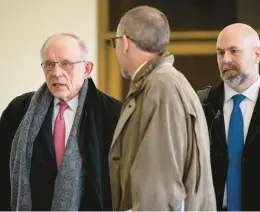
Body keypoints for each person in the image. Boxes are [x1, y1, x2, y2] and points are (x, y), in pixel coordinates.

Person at [108, 5, 216, 211]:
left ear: (126, 43)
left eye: (115, 42)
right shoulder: (163, 82)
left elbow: (158, 187)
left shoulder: (161, 87)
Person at [0, 33, 122, 211]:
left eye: (66, 64)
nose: (56, 73)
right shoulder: (18, 110)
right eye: (49, 65)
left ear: (87, 69)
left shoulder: (112, 113)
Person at [197, 23, 260, 211]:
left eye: (234, 51)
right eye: (220, 53)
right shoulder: (201, 104)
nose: (226, 60)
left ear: (257, 54)